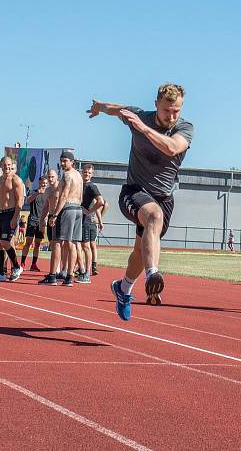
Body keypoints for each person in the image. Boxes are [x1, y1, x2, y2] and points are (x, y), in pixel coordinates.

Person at [87, 83, 194, 320]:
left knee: (139, 251)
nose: (172, 116)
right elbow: (117, 109)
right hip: (134, 191)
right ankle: (153, 275)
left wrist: (142, 129)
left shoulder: (184, 128)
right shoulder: (140, 115)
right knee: (154, 216)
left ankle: (123, 288)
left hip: (164, 197)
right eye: (167, 110)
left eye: (177, 110)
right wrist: (99, 107)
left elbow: (172, 148)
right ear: (156, 105)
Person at [0, 156, 26, 281]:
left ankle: (17, 267)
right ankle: (1, 273)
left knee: (5, 242)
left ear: (11, 165)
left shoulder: (16, 180)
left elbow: (20, 201)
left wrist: (15, 217)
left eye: (8, 165)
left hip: (11, 213)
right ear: (2, 166)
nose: (6, 167)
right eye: (4, 165)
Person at [48, 152, 83, 286]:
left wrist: (55, 214)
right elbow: (80, 195)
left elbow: (63, 195)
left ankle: (52, 276)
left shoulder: (67, 175)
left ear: (72, 162)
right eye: (61, 161)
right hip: (77, 208)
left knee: (57, 241)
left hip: (68, 208)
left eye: (65, 161)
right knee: (72, 243)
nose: (63, 164)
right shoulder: (78, 175)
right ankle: (69, 276)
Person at [76, 163, 105, 284]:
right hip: (76, 219)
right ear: (81, 172)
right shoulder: (79, 185)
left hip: (86, 221)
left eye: (89, 173)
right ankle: (81, 269)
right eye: (85, 172)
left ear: (92, 175)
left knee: (86, 247)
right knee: (76, 245)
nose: (86, 174)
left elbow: (101, 202)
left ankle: (87, 273)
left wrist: (89, 212)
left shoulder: (92, 186)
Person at [38, 169, 63, 285]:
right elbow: (46, 206)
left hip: (60, 217)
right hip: (51, 217)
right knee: (52, 244)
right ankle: (56, 269)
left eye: (52, 177)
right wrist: (42, 218)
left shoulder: (61, 188)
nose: (50, 179)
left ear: (56, 177)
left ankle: (65, 270)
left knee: (62, 245)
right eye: (49, 177)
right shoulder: (47, 190)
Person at [21, 177, 48, 271]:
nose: (44, 184)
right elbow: (27, 201)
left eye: (46, 183)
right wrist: (37, 193)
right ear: (39, 183)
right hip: (32, 219)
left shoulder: (48, 194)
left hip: (42, 221)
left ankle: (34, 264)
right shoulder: (33, 192)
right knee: (28, 242)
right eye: (43, 183)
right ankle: (22, 263)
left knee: (37, 243)